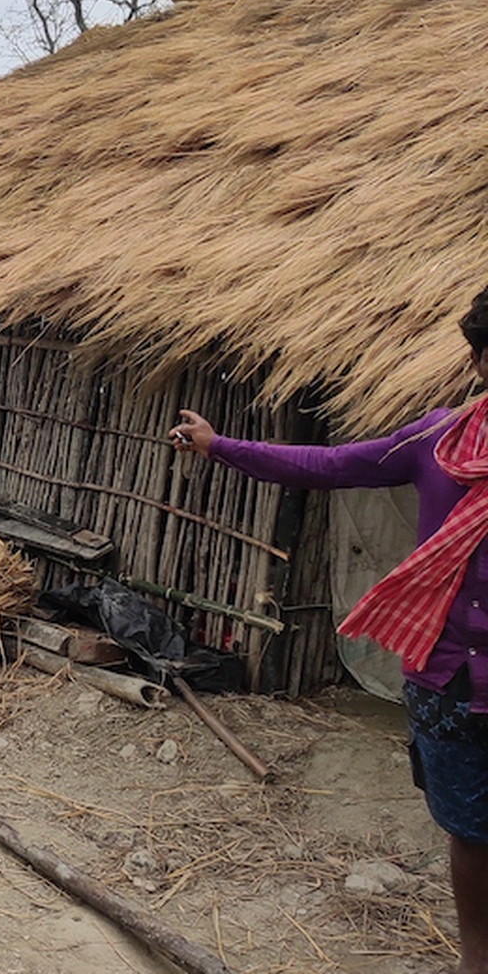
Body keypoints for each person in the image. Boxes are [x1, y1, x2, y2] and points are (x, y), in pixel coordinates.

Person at [171, 289, 488, 974]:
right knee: (470, 829)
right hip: (451, 675)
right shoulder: (437, 442)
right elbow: (331, 465)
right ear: (479, 362)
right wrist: (221, 446)